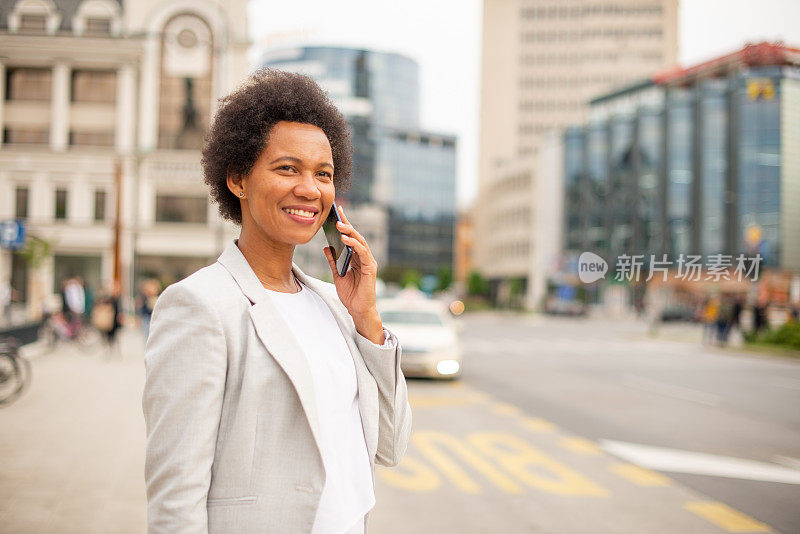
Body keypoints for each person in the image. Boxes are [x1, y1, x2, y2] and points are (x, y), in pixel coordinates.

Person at [142, 70, 412, 534]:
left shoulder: (335, 306)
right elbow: (176, 498)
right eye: (288, 168)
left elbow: (389, 444)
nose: (309, 189)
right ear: (238, 179)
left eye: (323, 174)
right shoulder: (199, 306)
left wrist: (366, 317)